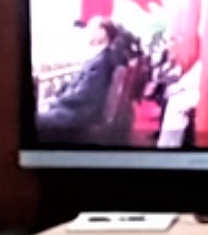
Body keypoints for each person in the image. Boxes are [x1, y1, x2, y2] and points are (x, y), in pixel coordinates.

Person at [36, 16, 142, 145]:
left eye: (91, 28)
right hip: (78, 111)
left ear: (102, 33)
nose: (87, 32)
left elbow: (85, 95)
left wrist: (56, 102)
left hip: (79, 116)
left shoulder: (100, 62)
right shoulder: (102, 58)